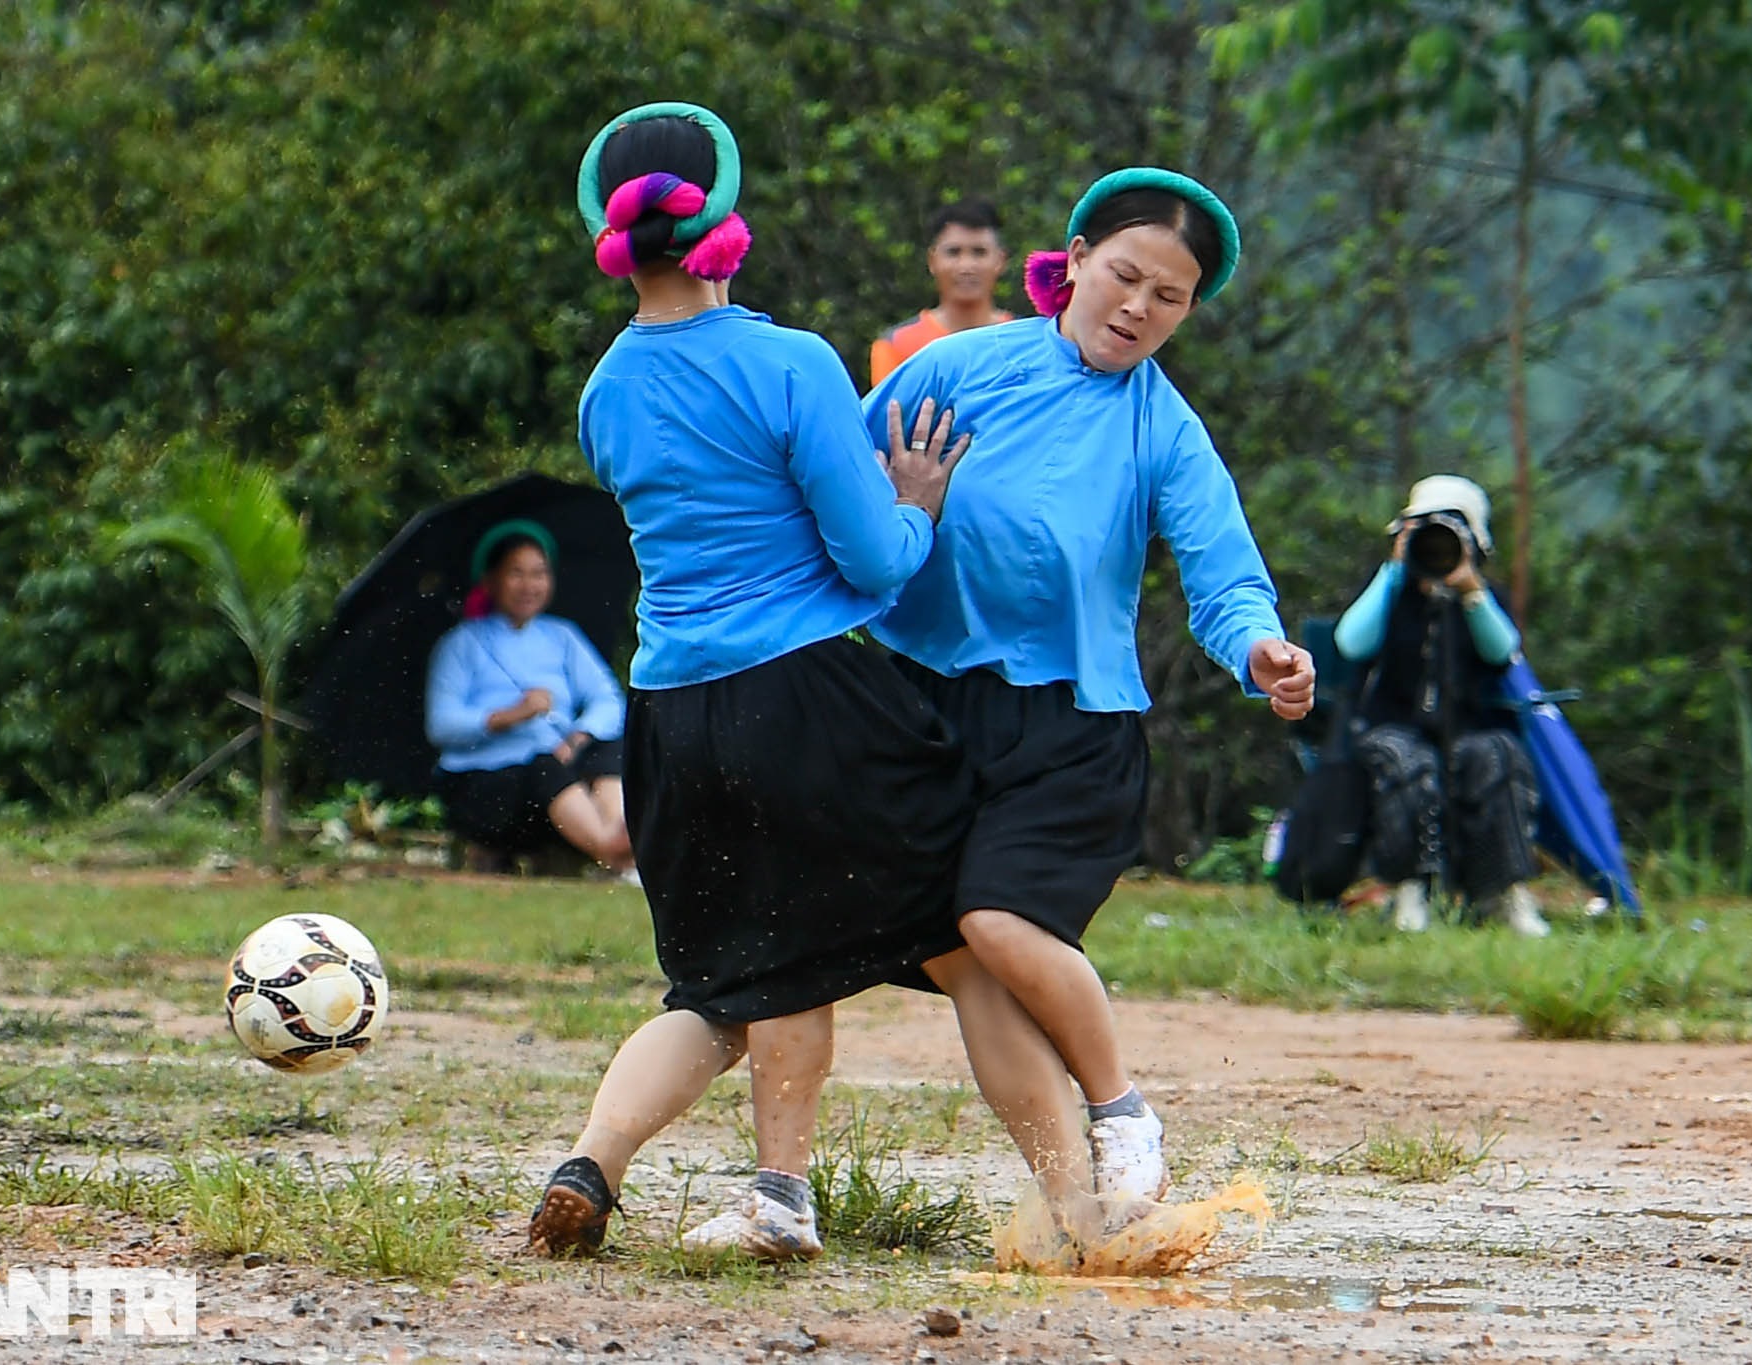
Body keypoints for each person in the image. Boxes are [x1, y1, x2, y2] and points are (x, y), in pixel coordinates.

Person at [529, 102, 1109, 1264]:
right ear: (725, 219)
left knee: (727, 980)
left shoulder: (604, 391)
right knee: (959, 939)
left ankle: (596, 1168)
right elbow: (874, 561)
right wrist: (919, 501)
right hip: (804, 701)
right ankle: (1086, 1217)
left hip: (670, 721)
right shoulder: (789, 362)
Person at [861, 168, 1317, 1202]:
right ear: (1070, 261)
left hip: (1071, 729)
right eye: (1122, 277)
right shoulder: (959, 369)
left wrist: (1261, 652)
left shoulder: (1163, 427)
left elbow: (1223, 573)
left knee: (996, 924)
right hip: (922, 713)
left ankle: (1121, 1110)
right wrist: (901, 509)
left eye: (1168, 298)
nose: (1135, 309)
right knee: (966, 961)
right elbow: (838, 491)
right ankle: (1074, 1211)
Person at [1332, 474, 1551, 938]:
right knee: (1407, 762)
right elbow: (1351, 643)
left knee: (1499, 757)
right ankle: (1409, 888)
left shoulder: (1482, 600)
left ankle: (1501, 891)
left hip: (1468, 730)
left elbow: (1502, 652)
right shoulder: (1393, 595)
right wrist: (1395, 570)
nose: (1437, 548)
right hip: (1392, 728)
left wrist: (1471, 591)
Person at [424, 521, 635, 879]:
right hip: (490, 783)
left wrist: (578, 735)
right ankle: (616, 854)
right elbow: (441, 725)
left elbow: (607, 700)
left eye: (538, 573)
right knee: (543, 769)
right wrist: (509, 716)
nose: (529, 586)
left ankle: (618, 839)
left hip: (559, 759)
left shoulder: (562, 636)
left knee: (609, 751)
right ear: (491, 580)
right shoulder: (462, 643)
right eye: (516, 574)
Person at [868, 198, 1014, 385]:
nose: (966, 266)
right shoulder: (896, 345)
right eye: (953, 252)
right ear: (932, 260)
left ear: (1000, 260)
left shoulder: (1029, 342)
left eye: (979, 252)